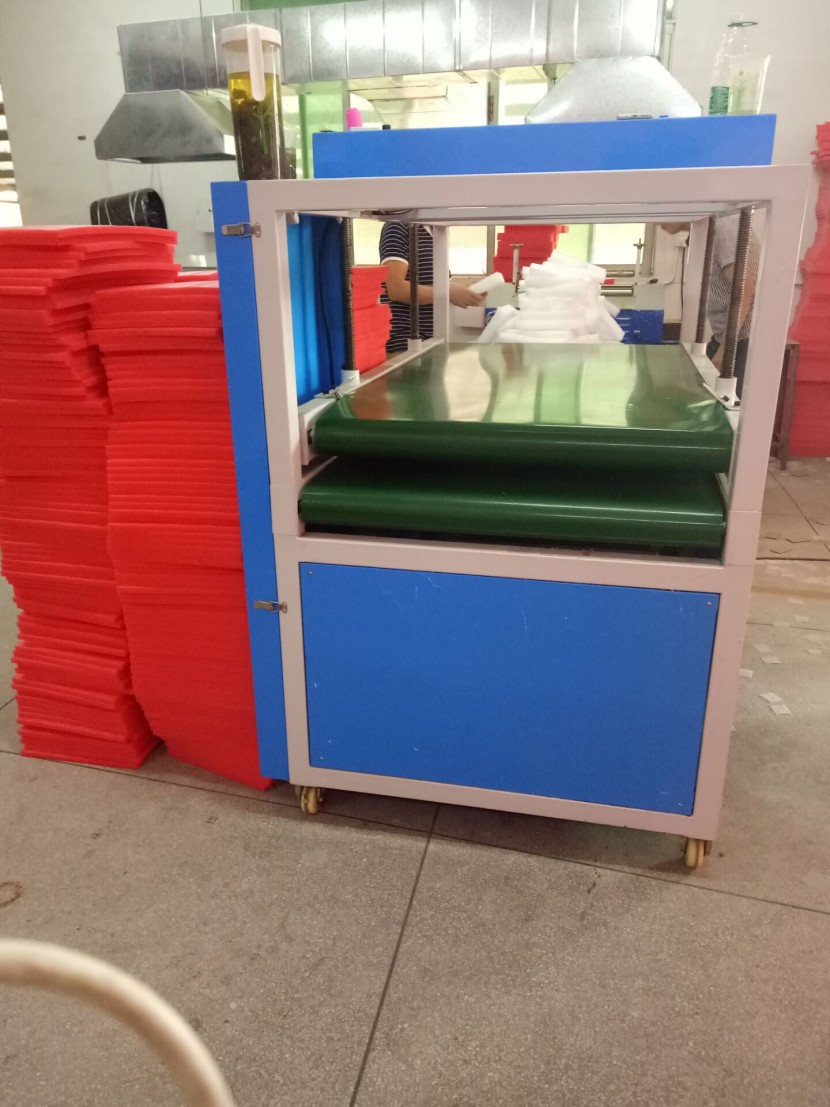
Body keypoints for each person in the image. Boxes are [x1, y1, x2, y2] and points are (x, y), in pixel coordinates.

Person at [662, 214, 759, 395]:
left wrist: (724, 352)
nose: (658, 221)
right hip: (726, 336)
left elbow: (745, 289)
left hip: (743, 341)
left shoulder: (725, 227)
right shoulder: (700, 232)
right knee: (699, 389)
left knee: (726, 404)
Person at [379, 221, 485, 354]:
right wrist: (448, 292)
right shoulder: (398, 227)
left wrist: (466, 292)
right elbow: (396, 288)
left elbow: (433, 287)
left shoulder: (436, 231)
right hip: (405, 342)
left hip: (431, 340)